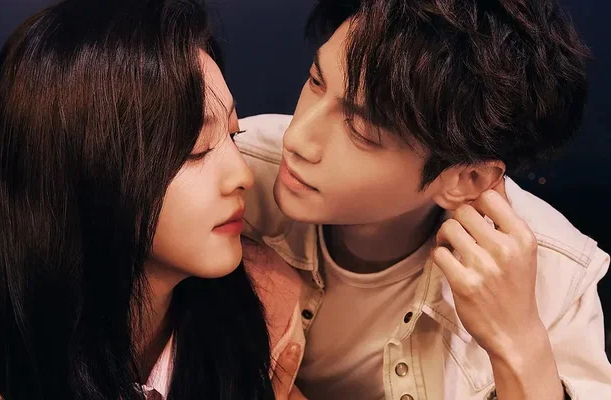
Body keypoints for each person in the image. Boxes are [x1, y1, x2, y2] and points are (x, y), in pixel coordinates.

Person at [0, 0, 305, 399]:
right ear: (86, 168)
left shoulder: (265, 304)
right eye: (195, 149)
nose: (242, 175)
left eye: (233, 135)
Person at [236, 0, 611, 399]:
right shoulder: (231, 173)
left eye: (360, 130)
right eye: (315, 81)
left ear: (467, 179)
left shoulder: (555, 274)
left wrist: (517, 342)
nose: (297, 138)